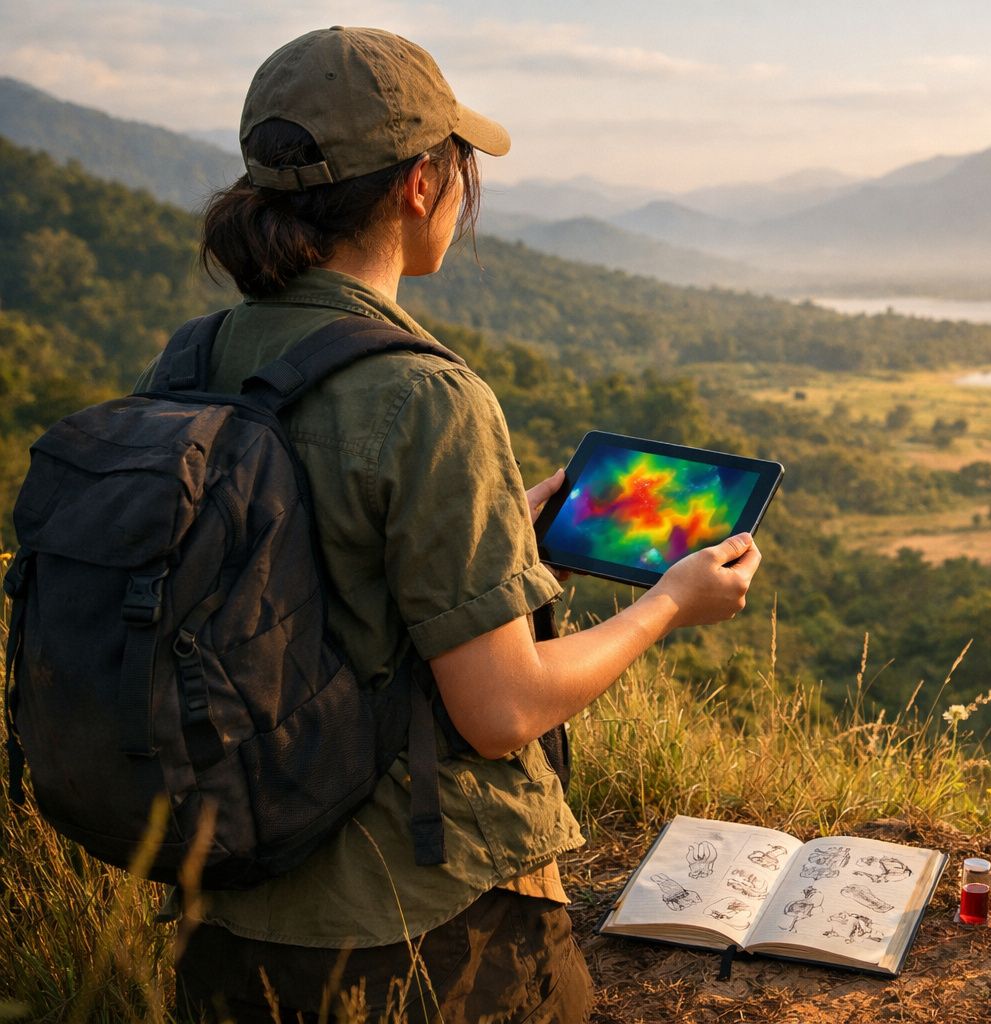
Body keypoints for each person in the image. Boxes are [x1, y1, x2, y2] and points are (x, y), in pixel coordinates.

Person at [159, 26, 762, 1023]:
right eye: (457, 163)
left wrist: (503, 539)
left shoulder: (195, 360)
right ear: (419, 184)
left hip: (222, 905)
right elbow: (501, 709)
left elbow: (301, 582)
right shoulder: (424, 398)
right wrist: (668, 602)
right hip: (420, 932)